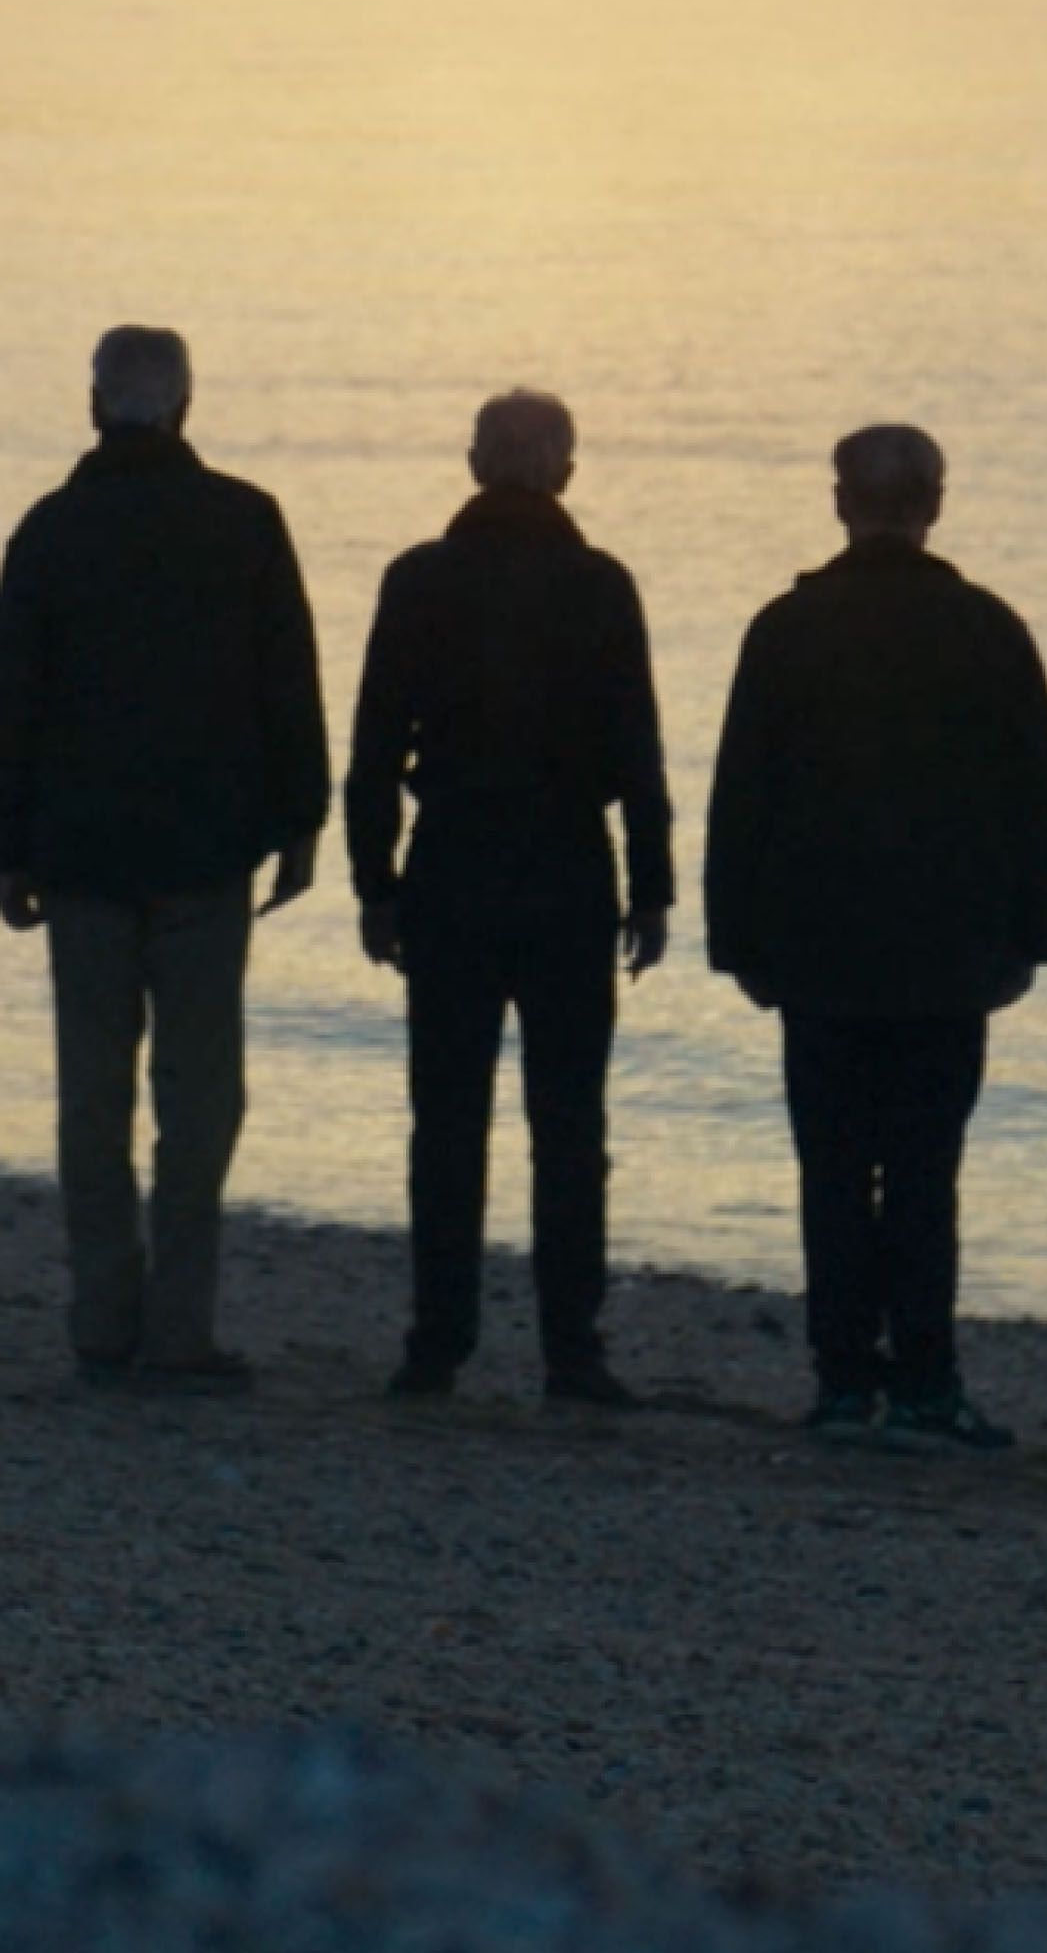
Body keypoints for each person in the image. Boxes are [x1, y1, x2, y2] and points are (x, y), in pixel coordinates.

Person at [0, 326, 328, 1393]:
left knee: (93, 1096)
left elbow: (9, 700)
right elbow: (288, 682)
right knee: (200, 1097)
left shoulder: (51, 528)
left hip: (81, 855)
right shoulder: (244, 521)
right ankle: (179, 1329)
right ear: (186, 406)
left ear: (93, 405)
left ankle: (100, 1318)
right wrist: (302, 822)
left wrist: (5, 841)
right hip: (204, 853)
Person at [703, 424, 1047, 1452]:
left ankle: (842, 1380)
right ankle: (923, 1378)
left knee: (830, 1171)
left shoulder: (789, 627)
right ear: (937, 503)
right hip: (949, 957)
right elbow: (1039, 797)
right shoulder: (987, 628)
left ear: (838, 502)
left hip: (819, 952)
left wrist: (737, 939)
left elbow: (744, 796)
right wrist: (1031, 936)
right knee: (922, 1173)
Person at [344, 389, 673, 1410]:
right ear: (566, 472)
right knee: (570, 1124)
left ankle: (436, 1343)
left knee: (445, 1121)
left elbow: (371, 752)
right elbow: (638, 753)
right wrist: (653, 887)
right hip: (571, 875)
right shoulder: (600, 585)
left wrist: (375, 882)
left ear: (475, 463)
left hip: (450, 873)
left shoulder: (420, 580)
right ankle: (571, 1350)